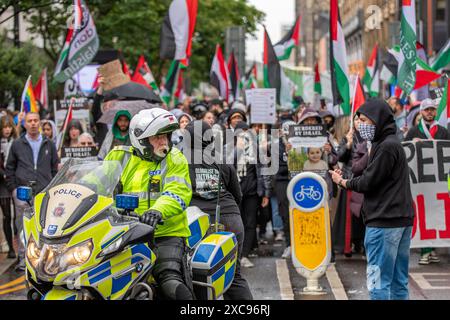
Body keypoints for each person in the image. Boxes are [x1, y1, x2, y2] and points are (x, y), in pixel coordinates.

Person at [104, 108, 194, 300]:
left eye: (166, 136)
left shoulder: (174, 158)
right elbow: (94, 183)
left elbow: (178, 192)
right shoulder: (118, 156)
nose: (164, 142)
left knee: (170, 282)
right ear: (141, 139)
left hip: (165, 233)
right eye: (158, 137)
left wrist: (156, 211)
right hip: (122, 233)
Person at [329, 99, 414, 300]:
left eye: (365, 120)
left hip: (384, 221)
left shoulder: (386, 147)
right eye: (358, 119)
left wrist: (343, 182)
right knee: (397, 282)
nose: (361, 124)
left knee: (378, 284)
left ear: (378, 120)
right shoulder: (384, 144)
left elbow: (368, 181)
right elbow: (360, 168)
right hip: (398, 219)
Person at [184, 120, 253, 300]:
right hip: (231, 217)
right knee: (233, 275)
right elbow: (237, 194)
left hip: (199, 224)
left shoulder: (178, 158)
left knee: (196, 275)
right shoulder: (221, 158)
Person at [5, 112, 59, 271]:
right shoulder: (17, 144)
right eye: (30, 121)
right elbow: (10, 169)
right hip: (22, 192)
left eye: (36, 120)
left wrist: (52, 188)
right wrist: (14, 189)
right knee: (22, 226)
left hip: (44, 192)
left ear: (40, 123)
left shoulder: (49, 144)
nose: (33, 123)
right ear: (25, 124)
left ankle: (43, 258)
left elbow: (54, 168)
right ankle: (23, 259)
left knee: (44, 225)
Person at [404, 98, 449, 264]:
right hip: (421, 182)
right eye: (426, 110)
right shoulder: (414, 131)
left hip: (439, 181)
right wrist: (411, 143)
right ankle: (425, 251)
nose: (429, 112)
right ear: (421, 112)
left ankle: (433, 249)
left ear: (435, 111)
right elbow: (404, 150)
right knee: (423, 213)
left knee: (438, 213)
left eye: (432, 109)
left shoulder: (444, 131)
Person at [233, 121, 271, 267]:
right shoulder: (227, 150)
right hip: (234, 193)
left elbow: (264, 172)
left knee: (250, 223)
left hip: (252, 193)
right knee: (237, 223)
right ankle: (234, 255)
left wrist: (266, 194)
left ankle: (244, 255)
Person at [0, 116, 18, 258]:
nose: (7, 129)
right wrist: (4, 174)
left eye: (9, 126)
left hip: (15, 180)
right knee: (7, 216)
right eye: (4, 127)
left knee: (17, 216)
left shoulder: (17, 143)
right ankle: (11, 247)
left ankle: (19, 245)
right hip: (2, 184)